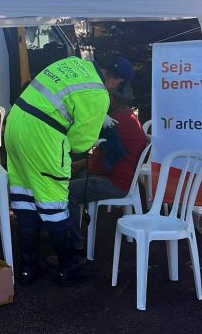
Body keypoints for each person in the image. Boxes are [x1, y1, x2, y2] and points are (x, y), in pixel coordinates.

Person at [5, 55, 110, 287]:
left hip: (15, 123)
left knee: (24, 198)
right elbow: (80, 143)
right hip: (42, 136)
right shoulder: (99, 94)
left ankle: (28, 268)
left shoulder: (72, 63)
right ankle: (69, 267)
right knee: (54, 205)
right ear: (116, 80)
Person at [66, 57, 148, 257]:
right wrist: (77, 166)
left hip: (117, 183)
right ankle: (63, 227)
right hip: (117, 176)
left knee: (64, 192)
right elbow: (100, 158)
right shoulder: (125, 115)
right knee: (72, 176)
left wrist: (76, 164)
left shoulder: (114, 123)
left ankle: (73, 248)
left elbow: (98, 159)